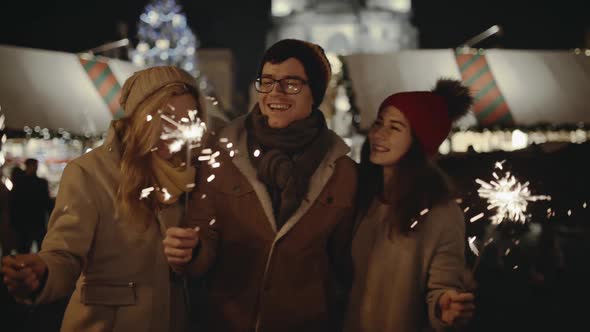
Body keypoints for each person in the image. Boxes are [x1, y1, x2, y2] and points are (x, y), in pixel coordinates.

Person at [163, 39, 357, 331]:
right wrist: (190, 252)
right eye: (266, 82)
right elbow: (203, 235)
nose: (274, 93)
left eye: (291, 84)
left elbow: (346, 265)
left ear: (314, 93)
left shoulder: (342, 171)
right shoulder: (223, 153)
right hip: (228, 320)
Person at [1, 66, 204, 332]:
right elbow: (66, 253)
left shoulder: (193, 174)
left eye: (186, 119)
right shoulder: (90, 172)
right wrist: (42, 272)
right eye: (166, 117)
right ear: (140, 114)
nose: (176, 130)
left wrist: (195, 254)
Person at [345, 79, 476, 331]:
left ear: (419, 141)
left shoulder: (441, 214)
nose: (379, 134)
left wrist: (443, 306)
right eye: (379, 123)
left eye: (395, 127)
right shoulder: (359, 196)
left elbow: (442, 286)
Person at [10, 158, 51, 253]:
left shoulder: (20, 183)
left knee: (24, 250)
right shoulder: (41, 183)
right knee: (40, 250)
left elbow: (14, 204)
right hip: (36, 221)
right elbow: (47, 203)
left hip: (25, 222)